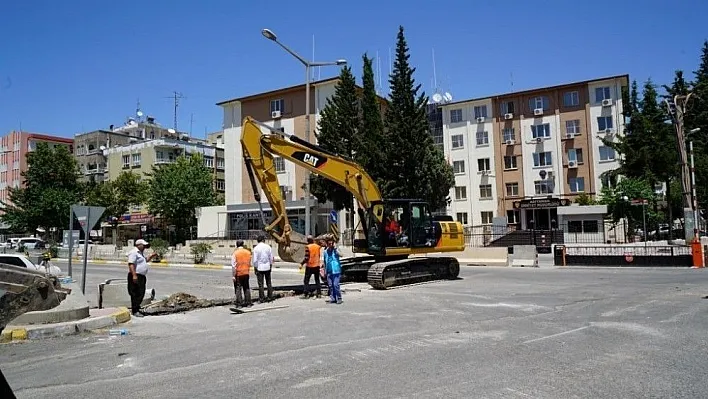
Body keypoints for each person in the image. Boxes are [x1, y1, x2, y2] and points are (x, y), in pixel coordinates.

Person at [127, 239, 157, 317]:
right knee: (136, 294)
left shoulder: (140, 253)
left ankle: (137, 307)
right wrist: (134, 275)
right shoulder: (134, 252)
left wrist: (151, 256)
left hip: (141, 276)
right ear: (138, 245)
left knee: (141, 293)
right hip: (136, 275)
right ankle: (135, 310)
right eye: (143, 245)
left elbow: (144, 261)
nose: (144, 247)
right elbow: (131, 264)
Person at [251, 235, 274, 303]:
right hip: (267, 267)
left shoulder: (256, 248)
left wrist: (255, 267)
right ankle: (270, 297)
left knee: (261, 284)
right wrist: (270, 265)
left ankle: (262, 298)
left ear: (258, 241)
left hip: (260, 268)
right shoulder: (268, 247)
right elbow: (271, 258)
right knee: (269, 283)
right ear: (264, 240)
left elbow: (255, 260)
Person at [231, 240, 252, 308]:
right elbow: (249, 263)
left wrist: (233, 275)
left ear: (236, 245)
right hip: (246, 272)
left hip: (239, 273)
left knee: (238, 288)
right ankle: (248, 303)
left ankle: (239, 304)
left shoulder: (235, 253)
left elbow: (234, 266)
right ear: (243, 245)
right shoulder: (248, 252)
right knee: (246, 288)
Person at [323, 237, 342, 304]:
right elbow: (325, 262)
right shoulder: (325, 252)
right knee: (331, 286)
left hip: (336, 270)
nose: (330, 245)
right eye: (329, 244)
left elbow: (341, 255)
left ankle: (339, 298)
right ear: (327, 244)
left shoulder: (336, 250)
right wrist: (325, 271)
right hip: (329, 271)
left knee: (336, 285)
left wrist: (336, 248)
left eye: (331, 243)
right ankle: (333, 298)